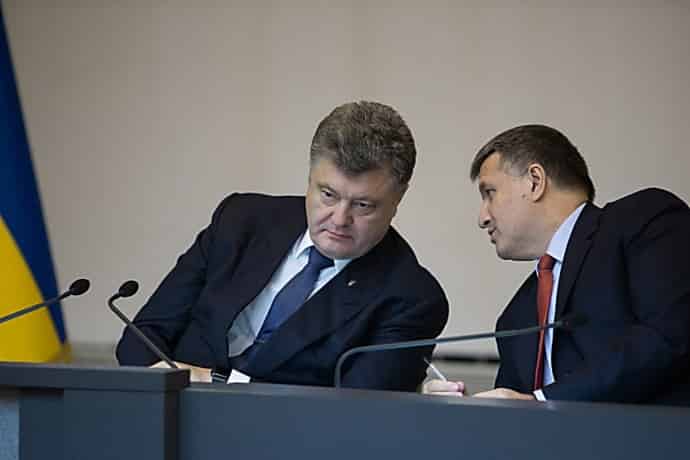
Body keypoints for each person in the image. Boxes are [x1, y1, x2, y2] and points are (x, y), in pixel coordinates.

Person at [116, 101, 449, 391]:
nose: (339, 219)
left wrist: (217, 382)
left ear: (398, 198)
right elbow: (142, 336)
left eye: (362, 205)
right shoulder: (241, 221)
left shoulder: (411, 298)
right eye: (328, 195)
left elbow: (352, 413)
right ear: (309, 177)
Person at [425, 124, 690, 404]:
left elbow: (669, 336)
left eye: (490, 192)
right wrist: (469, 407)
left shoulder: (643, 219)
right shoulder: (515, 317)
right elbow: (515, 411)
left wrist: (540, 401)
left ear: (535, 181)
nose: (482, 218)